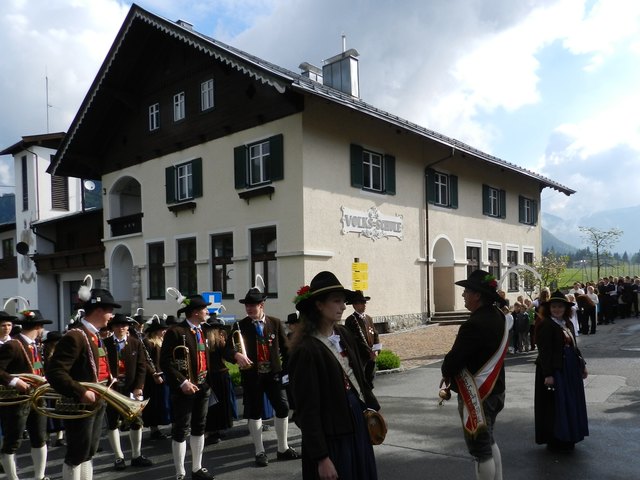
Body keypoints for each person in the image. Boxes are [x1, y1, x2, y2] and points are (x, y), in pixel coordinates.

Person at [289, 271, 380, 480]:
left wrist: (373, 408)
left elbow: (358, 375)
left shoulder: (344, 334)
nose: (343, 306)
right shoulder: (306, 349)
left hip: (355, 423)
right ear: (319, 305)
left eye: (343, 301)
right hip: (332, 435)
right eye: (337, 301)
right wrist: (321, 457)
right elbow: (307, 411)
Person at [46, 282, 121, 480]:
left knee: (89, 451)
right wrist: (80, 391)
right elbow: (55, 372)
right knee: (77, 453)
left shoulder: (95, 336)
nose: (112, 316)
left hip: (97, 399)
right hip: (81, 403)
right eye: (109, 311)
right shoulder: (75, 336)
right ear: (97, 310)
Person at [441, 270, 508, 480]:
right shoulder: (499, 317)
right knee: (488, 440)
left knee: (480, 448)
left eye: (467, 291)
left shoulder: (474, 324)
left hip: (479, 395)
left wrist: (446, 370)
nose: (463, 295)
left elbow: (454, 360)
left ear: (477, 295)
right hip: (496, 391)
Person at [233, 287, 299, 467]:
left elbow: (286, 350)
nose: (248, 308)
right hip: (252, 375)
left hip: (273, 374)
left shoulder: (275, 323)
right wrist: (235, 355)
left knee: (283, 407)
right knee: (254, 412)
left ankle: (282, 448)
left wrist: (285, 371)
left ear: (261, 305)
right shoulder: (240, 325)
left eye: (252, 305)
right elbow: (229, 348)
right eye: (247, 305)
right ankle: (259, 451)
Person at [160, 294, 215, 480]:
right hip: (183, 388)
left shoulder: (203, 331)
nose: (207, 311)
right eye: (204, 309)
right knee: (181, 429)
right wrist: (182, 382)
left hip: (202, 385)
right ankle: (180, 472)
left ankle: (197, 468)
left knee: (200, 426)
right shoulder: (175, 332)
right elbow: (165, 362)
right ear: (195, 312)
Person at [0, 306, 52, 480]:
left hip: (36, 398)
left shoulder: (35, 345)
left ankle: (40, 476)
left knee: (40, 438)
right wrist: (15, 381)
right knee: (12, 442)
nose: (42, 330)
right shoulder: (13, 345)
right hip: (17, 401)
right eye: (41, 327)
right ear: (38, 327)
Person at [534, 290, 589, 452]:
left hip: (570, 369)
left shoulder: (567, 323)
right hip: (556, 370)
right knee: (557, 406)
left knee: (570, 402)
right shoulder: (546, 324)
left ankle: (570, 435)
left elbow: (574, 347)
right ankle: (557, 439)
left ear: (566, 309)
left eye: (560, 307)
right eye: (554, 307)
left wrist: (582, 365)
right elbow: (544, 351)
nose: (557, 309)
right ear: (549, 308)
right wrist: (549, 374)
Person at [102, 314, 152, 470]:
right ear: (112, 328)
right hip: (112, 389)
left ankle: (136, 455)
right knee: (112, 422)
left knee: (137, 422)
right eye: (117, 325)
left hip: (131, 388)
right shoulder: (104, 344)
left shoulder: (135, 343)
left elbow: (142, 367)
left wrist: (139, 387)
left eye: (124, 325)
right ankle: (118, 457)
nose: (121, 328)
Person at [204, 316, 235, 445]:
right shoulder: (221, 341)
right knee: (222, 403)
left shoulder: (204, 343)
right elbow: (229, 357)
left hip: (209, 376)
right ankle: (221, 428)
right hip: (221, 375)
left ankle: (212, 431)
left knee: (211, 405)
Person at [141, 315, 171, 440]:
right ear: (155, 331)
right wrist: (153, 373)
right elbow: (145, 361)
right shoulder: (149, 343)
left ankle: (162, 425)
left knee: (164, 402)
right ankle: (154, 429)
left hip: (163, 375)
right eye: (161, 329)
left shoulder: (163, 341)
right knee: (154, 404)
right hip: (153, 378)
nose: (164, 331)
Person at [344, 290, 380, 388]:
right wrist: (368, 351)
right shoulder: (351, 320)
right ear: (355, 305)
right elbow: (355, 339)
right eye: (361, 303)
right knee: (362, 381)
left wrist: (376, 350)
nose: (364, 305)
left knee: (370, 378)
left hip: (371, 355)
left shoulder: (369, 318)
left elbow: (375, 334)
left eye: (364, 303)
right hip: (361, 356)